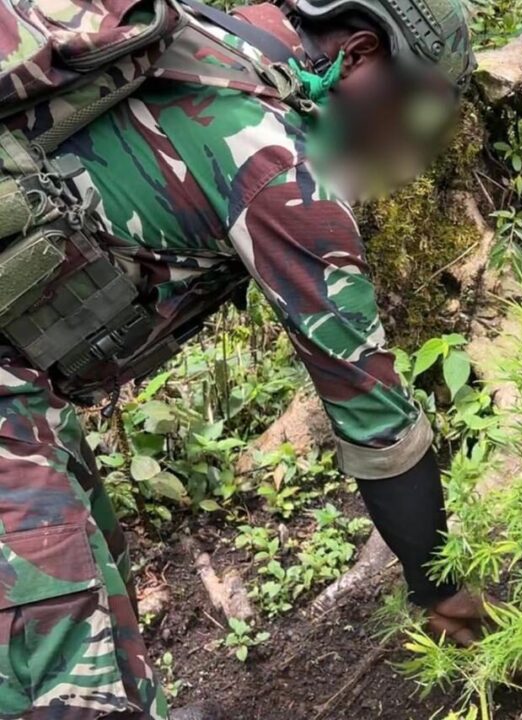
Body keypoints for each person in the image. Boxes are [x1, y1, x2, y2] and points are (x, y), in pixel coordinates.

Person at [0, 1, 484, 718]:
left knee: (90, 559)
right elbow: (377, 424)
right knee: (66, 666)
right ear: (357, 55)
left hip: (21, 383)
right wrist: (438, 586)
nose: (403, 138)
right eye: (409, 108)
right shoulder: (279, 174)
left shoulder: (208, 38)